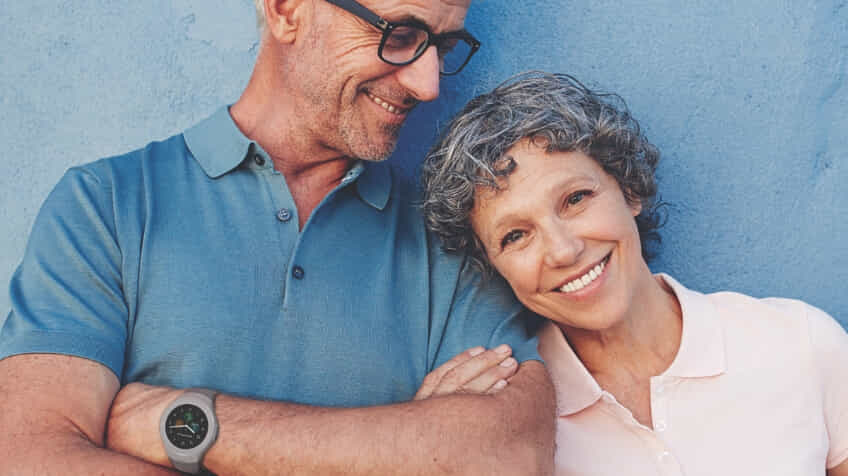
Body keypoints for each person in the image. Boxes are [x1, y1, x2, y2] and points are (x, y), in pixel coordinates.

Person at [0, 1, 555, 474]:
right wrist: (402, 447)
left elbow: (509, 452)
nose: (427, 84)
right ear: (286, 9)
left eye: (443, 45)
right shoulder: (107, 203)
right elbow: (31, 456)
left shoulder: (453, 234)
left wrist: (187, 425)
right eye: (400, 35)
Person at [420, 71, 848, 475]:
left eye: (576, 198)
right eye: (515, 236)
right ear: (492, 266)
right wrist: (433, 450)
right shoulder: (506, 416)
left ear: (628, 189)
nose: (564, 250)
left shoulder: (800, 343)